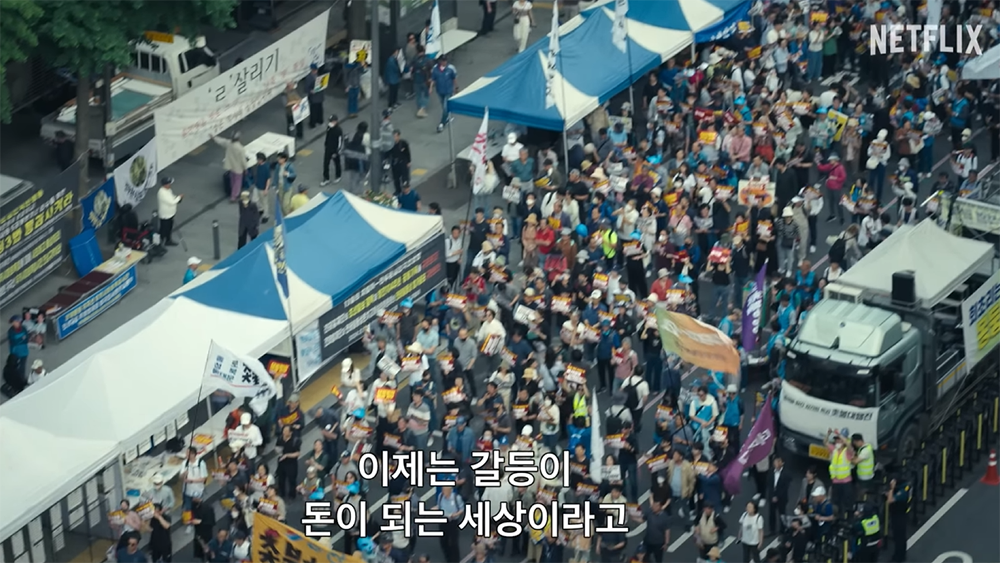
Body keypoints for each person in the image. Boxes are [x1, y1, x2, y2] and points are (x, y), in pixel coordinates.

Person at [213, 132, 248, 202]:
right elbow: (243, 160)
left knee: (232, 180)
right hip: (238, 168)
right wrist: (245, 168)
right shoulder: (240, 148)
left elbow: (221, 141)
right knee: (237, 183)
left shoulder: (229, 143)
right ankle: (234, 196)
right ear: (238, 139)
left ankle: (232, 192)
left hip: (231, 166)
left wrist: (213, 137)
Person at [431, 57, 458, 133]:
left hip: (448, 91)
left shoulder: (450, 68)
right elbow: (433, 79)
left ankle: (442, 123)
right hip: (440, 91)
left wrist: (456, 87)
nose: (444, 62)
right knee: (443, 106)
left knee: (445, 107)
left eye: (445, 61)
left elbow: (454, 78)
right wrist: (430, 88)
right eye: (443, 61)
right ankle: (446, 117)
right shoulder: (435, 69)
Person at [157, 177, 182, 246]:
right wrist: (179, 197)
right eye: (169, 183)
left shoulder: (168, 190)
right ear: (165, 184)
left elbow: (172, 197)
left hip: (170, 214)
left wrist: (176, 198)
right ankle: (160, 242)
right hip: (165, 215)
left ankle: (167, 240)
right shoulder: (162, 193)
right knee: (164, 229)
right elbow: (171, 202)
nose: (170, 184)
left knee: (168, 228)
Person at [321, 115, 344, 186]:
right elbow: (327, 136)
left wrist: (337, 151)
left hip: (335, 150)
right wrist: (326, 144)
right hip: (328, 148)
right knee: (326, 163)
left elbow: (340, 142)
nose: (330, 123)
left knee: (337, 163)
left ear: (335, 121)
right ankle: (326, 178)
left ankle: (338, 175)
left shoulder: (339, 130)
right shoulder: (329, 128)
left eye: (331, 121)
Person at [389, 129, 412, 194]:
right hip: (395, 163)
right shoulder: (391, 145)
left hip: (403, 162)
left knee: (405, 177)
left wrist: (408, 161)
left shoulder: (403, 143)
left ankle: (405, 190)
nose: (395, 138)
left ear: (399, 136)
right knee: (396, 178)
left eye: (396, 136)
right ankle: (398, 190)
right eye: (394, 136)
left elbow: (407, 152)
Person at [303, 64, 325, 128]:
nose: (316, 71)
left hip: (319, 96)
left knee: (320, 109)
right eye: (314, 70)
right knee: (313, 111)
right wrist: (311, 91)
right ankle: (312, 123)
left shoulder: (317, 75)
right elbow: (306, 88)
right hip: (313, 97)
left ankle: (319, 120)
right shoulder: (309, 78)